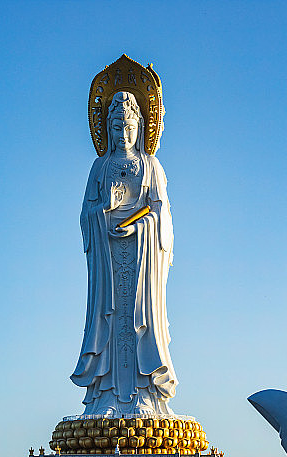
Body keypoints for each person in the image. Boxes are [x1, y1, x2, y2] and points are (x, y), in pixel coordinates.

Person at [71, 91, 177, 416]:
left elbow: (162, 215)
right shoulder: (100, 166)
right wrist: (105, 210)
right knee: (110, 318)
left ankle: (144, 395)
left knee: (139, 319)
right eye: (116, 126)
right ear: (108, 129)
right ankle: (106, 398)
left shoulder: (150, 165)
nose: (123, 133)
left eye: (129, 126)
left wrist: (140, 226)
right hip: (108, 258)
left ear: (140, 127)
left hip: (142, 258)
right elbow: (85, 214)